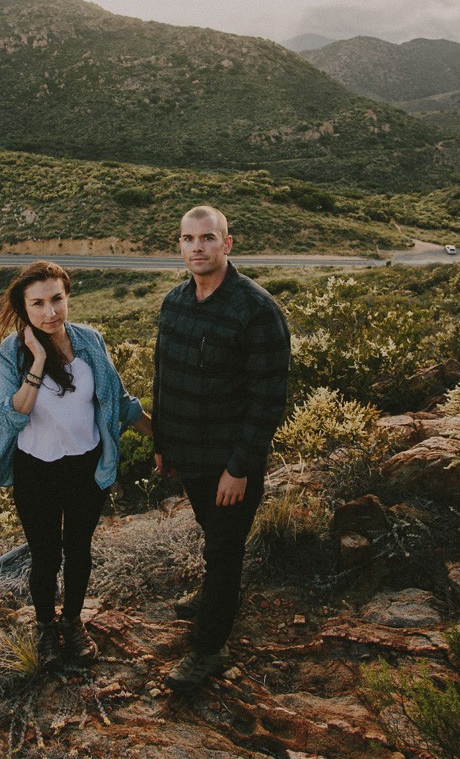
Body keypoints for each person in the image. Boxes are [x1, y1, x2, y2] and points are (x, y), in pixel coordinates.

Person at [0, 260, 152, 668]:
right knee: (45, 556)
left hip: (87, 469)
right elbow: (12, 415)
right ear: (23, 309)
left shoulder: (90, 340)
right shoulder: (12, 352)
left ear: (67, 297)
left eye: (57, 299)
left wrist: (164, 438)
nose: (50, 312)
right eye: (38, 304)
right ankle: (44, 628)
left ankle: (72, 622)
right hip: (36, 471)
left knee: (79, 550)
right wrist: (36, 361)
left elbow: (120, 403)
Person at [152, 206, 291, 692]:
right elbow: (164, 377)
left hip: (231, 462)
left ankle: (210, 649)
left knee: (225, 550)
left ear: (227, 244)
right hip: (189, 453)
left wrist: (240, 467)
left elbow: (268, 397)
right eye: (188, 238)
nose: (197, 247)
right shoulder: (174, 302)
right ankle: (214, 594)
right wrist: (164, 442)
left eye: (207, 238)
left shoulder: (257, 310)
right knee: (212, 534)